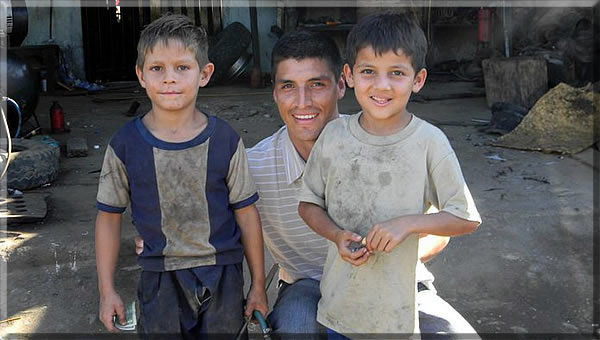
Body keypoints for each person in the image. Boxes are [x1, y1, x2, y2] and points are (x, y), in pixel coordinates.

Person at [135, 29, 480, 338]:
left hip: (398, 283)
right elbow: (207, 215)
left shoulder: (394, 143)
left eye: (316, 85)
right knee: (298, 327)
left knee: (455, 334)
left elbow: (443, 224)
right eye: (288, 87)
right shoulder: (252, 165)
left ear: (342, 84)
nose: (302, 103)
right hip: (306, 283)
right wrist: (165, 232)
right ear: (274, 94)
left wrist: (388, 257)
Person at [297, 12, 482, 339]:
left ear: (418, 79)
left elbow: (465, 218)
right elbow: (308, 204)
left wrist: (408, 223)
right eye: (368, 71)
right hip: (338, 310)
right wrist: (337, 236)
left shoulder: (429, 142)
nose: (381, 85)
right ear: (349, 75)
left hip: (396, 318)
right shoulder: (334, 136)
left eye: (396, 73)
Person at [95, 14, 268, 337]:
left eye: (182, 67)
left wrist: (258, 285)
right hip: (159, 275)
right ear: (141, 75)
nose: (169, 79)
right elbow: (108, 216)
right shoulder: (125, 145)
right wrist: (107, 291)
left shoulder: (226, 140)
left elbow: (246, 213)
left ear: (205, 74)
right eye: (157, 68)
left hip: (223, 274)